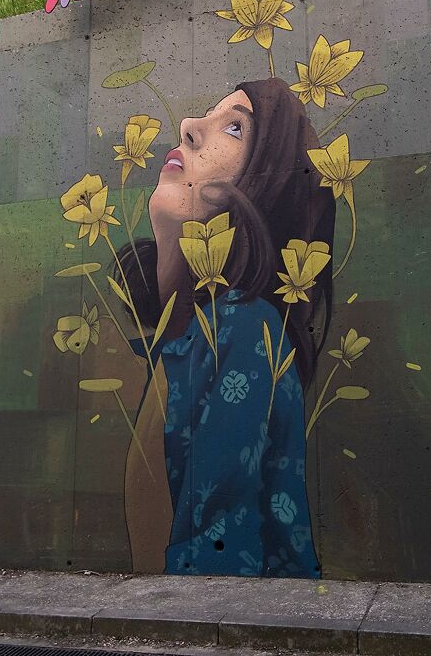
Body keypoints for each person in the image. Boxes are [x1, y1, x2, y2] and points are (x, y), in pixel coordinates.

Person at [116, 77, 335, 577]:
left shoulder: (241, 327)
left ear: (264, 189)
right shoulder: (180, 335)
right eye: (207, 116)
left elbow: (220, 551)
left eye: (235, 128)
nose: (189, 128)